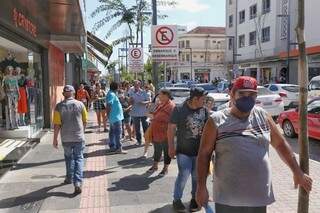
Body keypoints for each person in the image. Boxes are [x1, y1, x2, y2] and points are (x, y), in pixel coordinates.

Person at [196, 76, 313, 213]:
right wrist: (201, 187)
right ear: (232, 94)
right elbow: (204, 155)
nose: (247, 97)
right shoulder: (216, 120)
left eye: (251, 94)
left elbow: (280, 145)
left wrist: (297, 171)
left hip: (258, 197)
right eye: (242, 93)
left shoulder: (263, 116)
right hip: (228, 198)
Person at [168, 87, 209, 212]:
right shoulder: (179, 109)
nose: (205, 101)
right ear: (195, 99)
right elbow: (171, 129)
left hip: (199, 152)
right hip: (183, 151)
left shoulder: (204, 110)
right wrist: (171, 147)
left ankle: (194, 199)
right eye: (203, 99)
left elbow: (208, 130)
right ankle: (176, 199)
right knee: (183, 175)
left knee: (197, 177)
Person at [52, 85, 88, 194]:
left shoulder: (59, 107)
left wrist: (55, 139)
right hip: (78, 137)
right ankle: (77, 182)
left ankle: (69, 178)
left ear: (63, 94)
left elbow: (57, 125)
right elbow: (85, 120)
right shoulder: (80, 104)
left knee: (68, 158)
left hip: (66, 137)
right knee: (79, 159)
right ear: (73, 93)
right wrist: (82, 132)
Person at [147, 89, 175, 176]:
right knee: (157, 149)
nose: (158, 96)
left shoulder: (171, 106)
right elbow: (153, 112)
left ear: (166, 96)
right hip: (157, 131)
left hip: (165, 132)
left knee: (166, 151)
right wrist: (151, 113)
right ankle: (155, 166)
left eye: (160, 95)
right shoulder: (160, 103)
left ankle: (165, 168)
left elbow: (172, 120)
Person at [106, 82, 126, 154]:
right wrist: (107, 115)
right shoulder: (111, 94)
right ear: (116, 87)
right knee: (118, 133)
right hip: (115, 117)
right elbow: (109, 105)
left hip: (114, 117)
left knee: (112, 132)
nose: (119, 88)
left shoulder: (112, 93)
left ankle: (112, 146)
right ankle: (118, 148)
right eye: (118, 86)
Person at [129, 80, 151, 146]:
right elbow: (130, 102)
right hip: (135, 113)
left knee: (145, 127)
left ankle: (147, 140)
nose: (136, 86)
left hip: (143, 113)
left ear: (139, 85)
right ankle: (139, 141)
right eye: (134, 85)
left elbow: (149, 101)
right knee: (137, 128)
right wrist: (130, 101)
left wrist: (143, 103)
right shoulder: (131, 92)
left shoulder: (143, 92)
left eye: (137, 85)